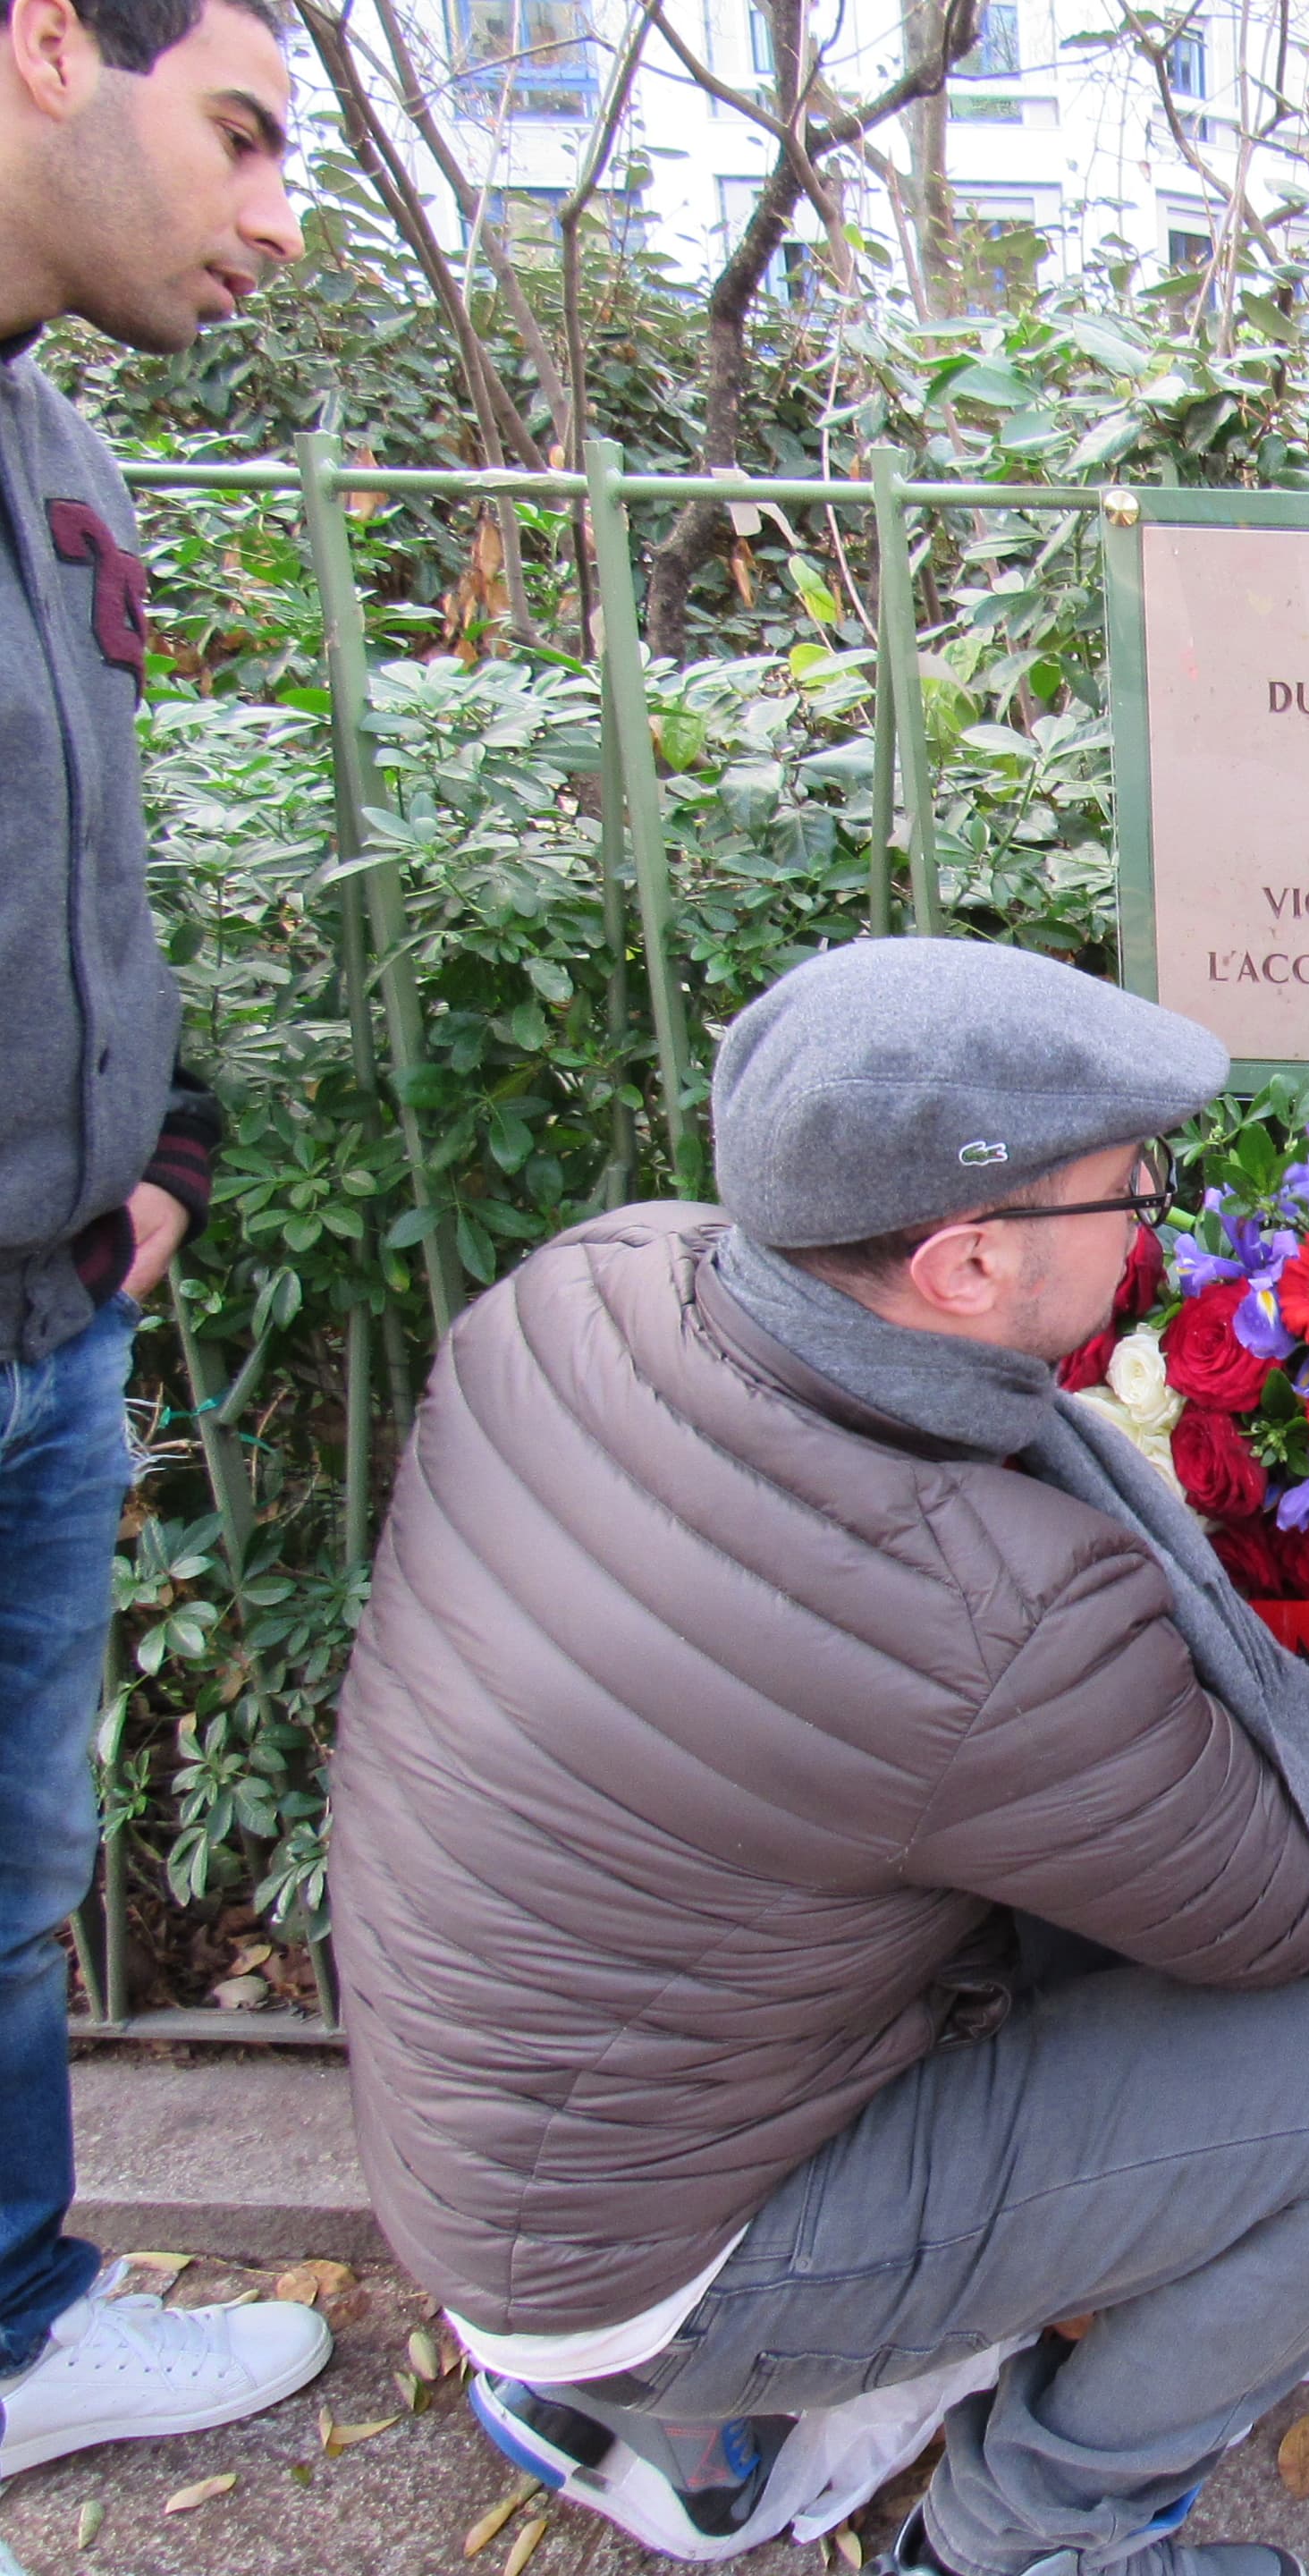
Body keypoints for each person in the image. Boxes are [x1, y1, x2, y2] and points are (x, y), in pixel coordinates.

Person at [327, 937, 1309, 2576]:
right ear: (964, 1267)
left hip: (500, 2143)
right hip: (645, 2263)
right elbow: (1286, 1916)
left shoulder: (595, 1279)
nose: (1147, 1222)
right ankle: (1026, 2543)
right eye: (1129, 1192)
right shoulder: (986, 1609)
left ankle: (695, 2419)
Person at [0, 0, 325, 2479]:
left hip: (51, 1318)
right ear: (40, 51)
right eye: (240, 137)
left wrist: (163, 1153)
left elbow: (92, 877)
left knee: (15, 1884)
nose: (274, 216)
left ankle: (16, 2334)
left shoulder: (57, 451)